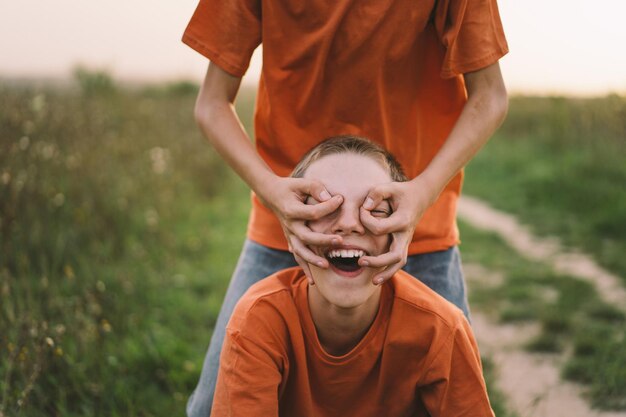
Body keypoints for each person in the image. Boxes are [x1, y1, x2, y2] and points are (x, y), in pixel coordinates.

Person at [182, 0, 509, 415]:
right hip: (289, 225)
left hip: (414, 227)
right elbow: (212, 103)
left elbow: (491, 96)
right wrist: (274, 194)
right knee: (210, 406)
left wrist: (421, 194)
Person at [211, 136, 495, 416]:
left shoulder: (442, 329)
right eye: (326, 208)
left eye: (376, 210)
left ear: (399, 232)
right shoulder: (258, 320)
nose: (348, 224)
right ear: (294, 226)